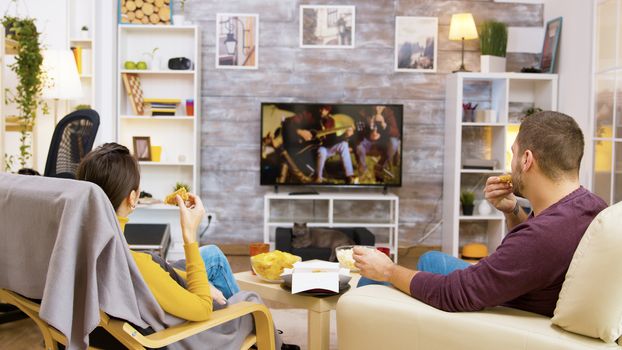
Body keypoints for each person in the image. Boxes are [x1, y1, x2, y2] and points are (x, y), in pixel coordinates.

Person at [353, 111, 607, 317]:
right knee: (431, 260)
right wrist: (513, 210)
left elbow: (455, 294)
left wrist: (387, 270)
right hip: (522, 289)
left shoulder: (544, 237)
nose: (511, 162)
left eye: (514, 153)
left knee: (372, 280)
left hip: (503, 309)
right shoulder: (590, 205)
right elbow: (533, 254)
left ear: (527, 160)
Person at [77, 143, 298, 350]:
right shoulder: (137, 266)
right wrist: (189, 235)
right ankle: (266, 338)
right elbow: (201, 308)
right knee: (252, 301)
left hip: (145, 306)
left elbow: (155, 276)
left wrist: (188, 281)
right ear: (133, 198)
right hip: (175, 336)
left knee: (211, 256)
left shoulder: (77, 248)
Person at [355, 105, 400, 182]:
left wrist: (385, 125)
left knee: (394, 143)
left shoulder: (388, 114)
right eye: (375, 106)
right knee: (359, 146)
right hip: (368, 142)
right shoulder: (364, 112)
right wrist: (369, 128)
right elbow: (359, 131)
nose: (377, 108)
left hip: (383, 143)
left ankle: (380, 166)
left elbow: (396, 133)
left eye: (380, 106)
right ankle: (363, 168)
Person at [313, 105, 355, 184]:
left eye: (325, 109)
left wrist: (346, 135)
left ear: (328, 110)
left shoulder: (333, 120)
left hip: (331, 146)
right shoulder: (315, 119)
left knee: (344, 145)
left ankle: (349, 175)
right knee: (321, 152)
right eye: (321, 108)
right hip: (321, 147)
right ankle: (318, 177)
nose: (322, 111)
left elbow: (335, 138)